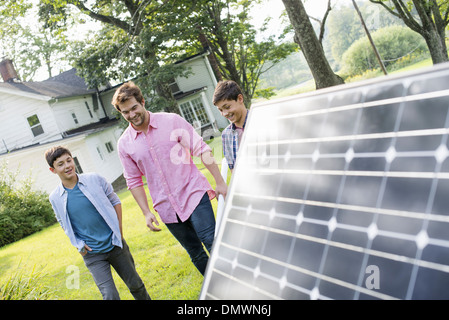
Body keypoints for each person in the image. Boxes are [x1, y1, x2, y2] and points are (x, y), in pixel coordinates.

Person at [112, 81, 227, 276]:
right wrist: (146, 212)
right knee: (196, 253)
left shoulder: (171, 121)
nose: (131, 115)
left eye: (134, 108)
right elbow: (133, 180)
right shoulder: (125, 144)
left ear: (142, 101)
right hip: (166, 206)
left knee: (211, 241)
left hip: (193, 192)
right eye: (125, 112)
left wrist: (220, 181)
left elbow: (201, 148)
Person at [45, 146, 151, 300]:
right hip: (92, 254)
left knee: (136, 285)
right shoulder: (55, 197)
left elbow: (115, 200)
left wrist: (119, 231)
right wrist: (78, 243)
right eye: (60, 164)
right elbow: (63, 222)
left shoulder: (94, 179)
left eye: (69, 160)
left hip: (115, 244)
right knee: (110, 295)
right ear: (52, 170)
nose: (67, 166)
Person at [213, 80, 248, 173]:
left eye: (227, 107)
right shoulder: (226, 135)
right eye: (220, 110)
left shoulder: (259, 121)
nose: (224, 113)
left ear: (240, 99)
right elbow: (234, 171)